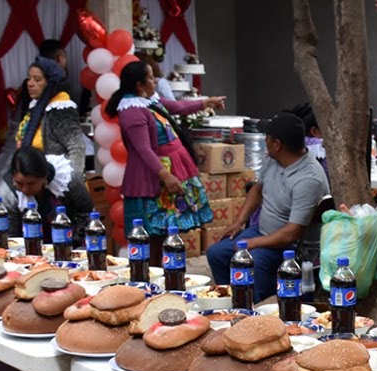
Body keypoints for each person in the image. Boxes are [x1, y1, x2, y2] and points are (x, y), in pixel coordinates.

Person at [207, 112, 329, 299]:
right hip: (262, 233)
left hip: (290, 247)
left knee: (253, 261)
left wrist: (252, 244)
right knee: (217, 253)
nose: (265, 141)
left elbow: (292, 233)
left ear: (277, 144)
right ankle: (233, 300)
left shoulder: (308, 179)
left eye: (267, 138)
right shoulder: (274, 160)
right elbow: (257, 189)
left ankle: (258, 309)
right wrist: (240, 221)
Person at [109, 61, 215, 265]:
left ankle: (167, 274)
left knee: (165, 233)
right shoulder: (132, 110)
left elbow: (176, 107)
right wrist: (165, 175)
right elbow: (143, 149)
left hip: (165, 176)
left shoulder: (148, 102)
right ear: (140, 85)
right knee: (150, 236)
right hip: (151, 180)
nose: (154, 81)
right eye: (150, 77)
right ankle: (153, 278)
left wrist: (206, 103)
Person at [0, 57, 86, 232]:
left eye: (37, 80)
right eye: (29, 78)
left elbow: (76, 147)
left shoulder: (60, 108)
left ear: (50, 83)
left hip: (52, 180)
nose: (30, 84)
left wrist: (72, 182)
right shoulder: (37, 107)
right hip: (30, 174)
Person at [0, 146, 92, 243]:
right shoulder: (8, 196)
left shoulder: (66, 179)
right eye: (20, 183)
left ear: (45, 177)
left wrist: (74, 242)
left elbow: (86, 212)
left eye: (31, 183)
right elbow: (12, 238)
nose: (25, 189)